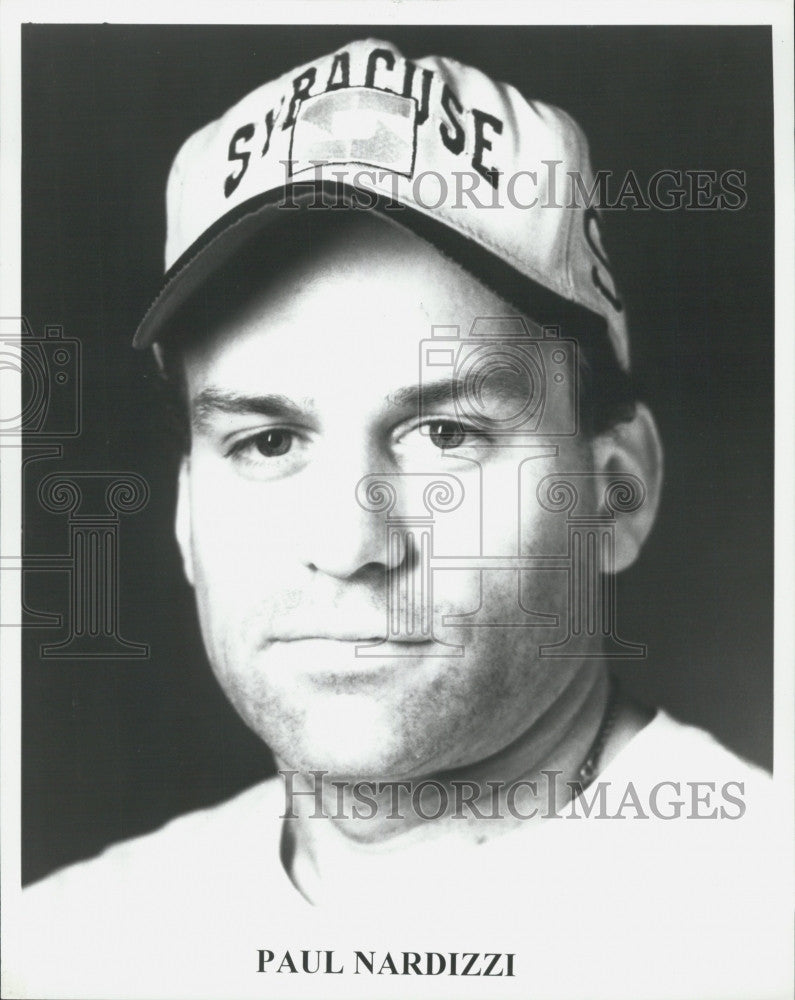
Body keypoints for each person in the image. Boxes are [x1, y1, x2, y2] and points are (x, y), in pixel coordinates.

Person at [14, 38, 783, 1000]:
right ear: (183, 518)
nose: (350, 546)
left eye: (444, 435)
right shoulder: (60, 950)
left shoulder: (759, 921)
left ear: (616, 492)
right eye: (267, 442)